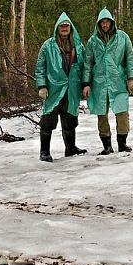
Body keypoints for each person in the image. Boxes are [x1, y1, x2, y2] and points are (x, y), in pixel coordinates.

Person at [82, 8, 133, 155]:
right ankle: (107, 146)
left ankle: (122, 144)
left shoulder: (122, 38)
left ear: (112, 23)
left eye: (107, 22)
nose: (105, 25)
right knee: (101, 114)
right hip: (99, 83)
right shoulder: (93, 41)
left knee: (122, 112)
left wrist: (131, 78)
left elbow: (130, 57)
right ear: (99, 24)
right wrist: (86, 83)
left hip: (118, 81)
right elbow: (88, 63)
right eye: (102, 22)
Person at [35, 12, 87, 162]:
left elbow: (85, 67)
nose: (64, 28)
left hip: (72, 89)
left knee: (70, 119)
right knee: (48, 120)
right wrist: (42, 85)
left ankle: (71, 148)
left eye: (67, 26)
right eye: (62, 26)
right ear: (57, 28)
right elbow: (40, 67)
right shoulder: (48, 46)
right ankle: (44, 151)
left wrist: (85, 84)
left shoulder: (78, 46)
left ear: (71, 28)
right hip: (53, 89)